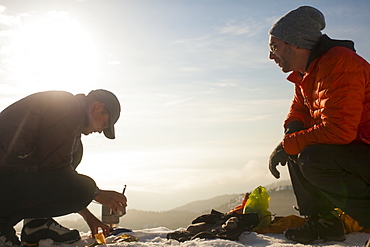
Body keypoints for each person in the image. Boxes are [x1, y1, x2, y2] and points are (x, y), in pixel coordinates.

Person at [267, 6, 370, 244]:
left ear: (295, 43)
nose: (271, 56)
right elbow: (299, 107)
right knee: (298, 146)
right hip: (359, 148)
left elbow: (339, 130)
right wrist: (291, 130)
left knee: (313, 157)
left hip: (359, 144)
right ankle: (324, 223)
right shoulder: (307, 72)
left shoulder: (340, 64)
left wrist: (289, 143)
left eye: (275, 47)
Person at [0, 90, 127, 246]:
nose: (100, 130)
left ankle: (36, 224)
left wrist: (89, 217)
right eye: (104, 124)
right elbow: (59, 176)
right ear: (98, 107)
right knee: (84, 187)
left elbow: (57, 179)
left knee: (75, 153)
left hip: (7, 181)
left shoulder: (67, 111)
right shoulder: (67, 108)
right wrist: (96, 193)